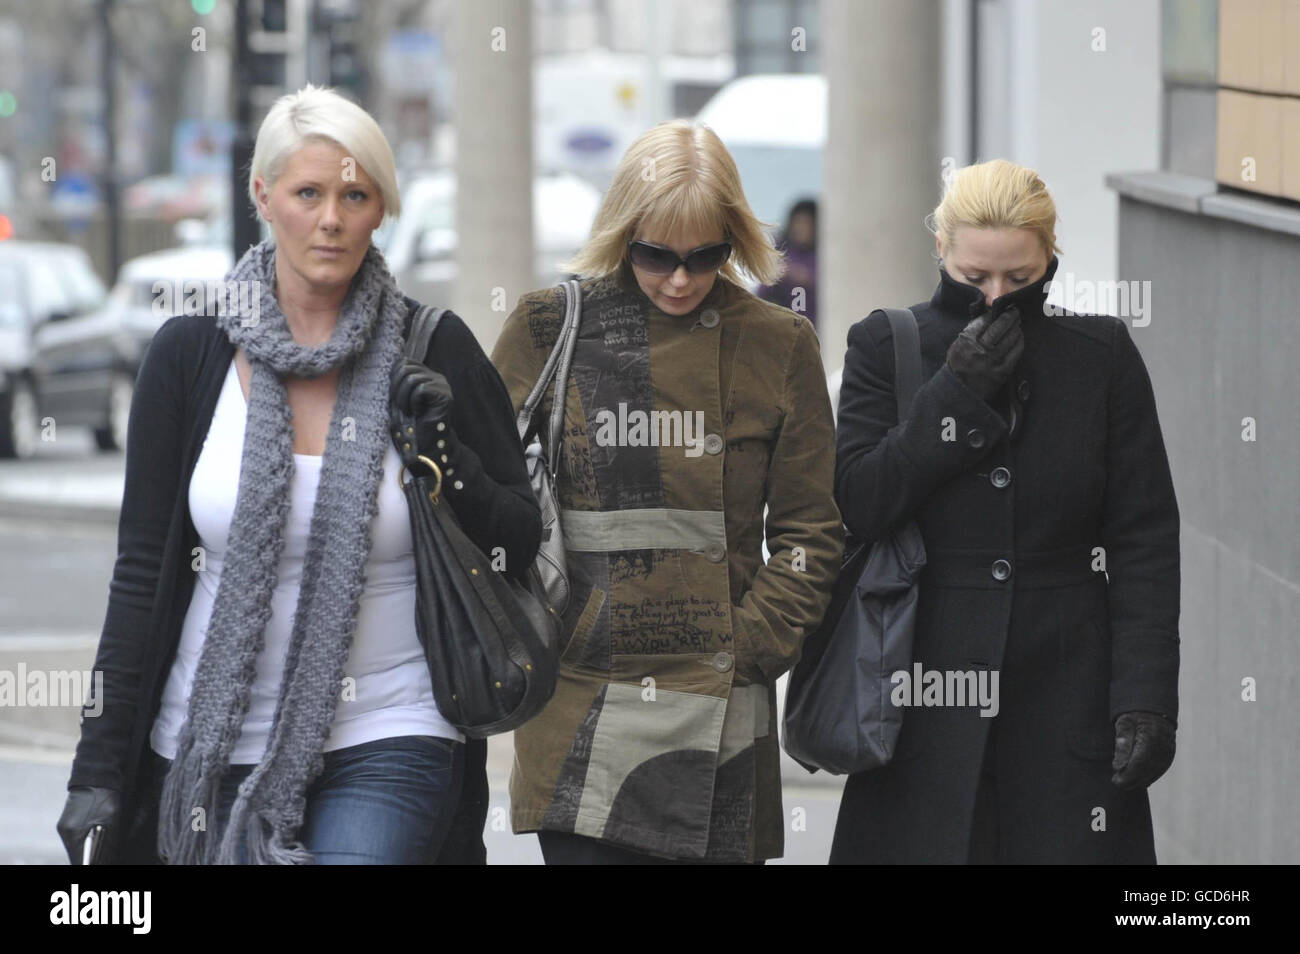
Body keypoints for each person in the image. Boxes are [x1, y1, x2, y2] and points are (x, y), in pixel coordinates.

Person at [56, 85, 540, 864]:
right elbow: (141, 575)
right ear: (263, 196)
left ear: (381, 207)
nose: (331, 219)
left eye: (355, 194)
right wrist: (97, 769)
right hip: (207, 737)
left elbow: (520, 540)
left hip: (392, 726)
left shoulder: (433, 348)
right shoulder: (188, 357)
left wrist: (442, 452)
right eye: (308, 193)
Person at [491, 119, 844, 864]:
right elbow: (490, 498)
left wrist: (750, 644)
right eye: (656, 256)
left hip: (721, 709)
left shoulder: (780, 344)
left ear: (733, 242)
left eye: (704, 256)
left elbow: (812, 531)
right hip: (581, 702)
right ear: (622, 234)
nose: (680, 279)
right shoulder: (549, 326)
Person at [829, 158, 1180, 864]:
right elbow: (862, 502)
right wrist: (954, 394)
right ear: (941, 252)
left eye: (1019, 280)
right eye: (974, 277)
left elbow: (1145, 537)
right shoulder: (885, 344)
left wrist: (1145, 695)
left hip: (1067, 690)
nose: (995, 298)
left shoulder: (1101, 354)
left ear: (1050, 258)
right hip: (921, 691)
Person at [757, 198, 818, 332]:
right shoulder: (783, 252)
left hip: (817, 329)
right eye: (798, 223)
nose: (801, 228)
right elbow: (762, 293)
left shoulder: (824, 256)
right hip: (786, 329)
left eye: (806, 223)